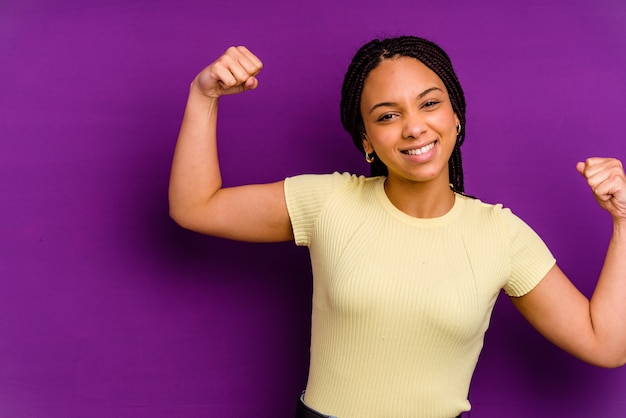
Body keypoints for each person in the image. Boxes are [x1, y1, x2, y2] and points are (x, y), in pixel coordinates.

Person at [168, 36, 626, 418]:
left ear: (455, 117)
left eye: (429, 104)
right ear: (366, 140)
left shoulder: (501, 235)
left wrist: (624, 221)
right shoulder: (329, 202)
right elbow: (196, 207)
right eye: (388, 115)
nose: (413, 127)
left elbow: (606, 344)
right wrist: (203, 95)